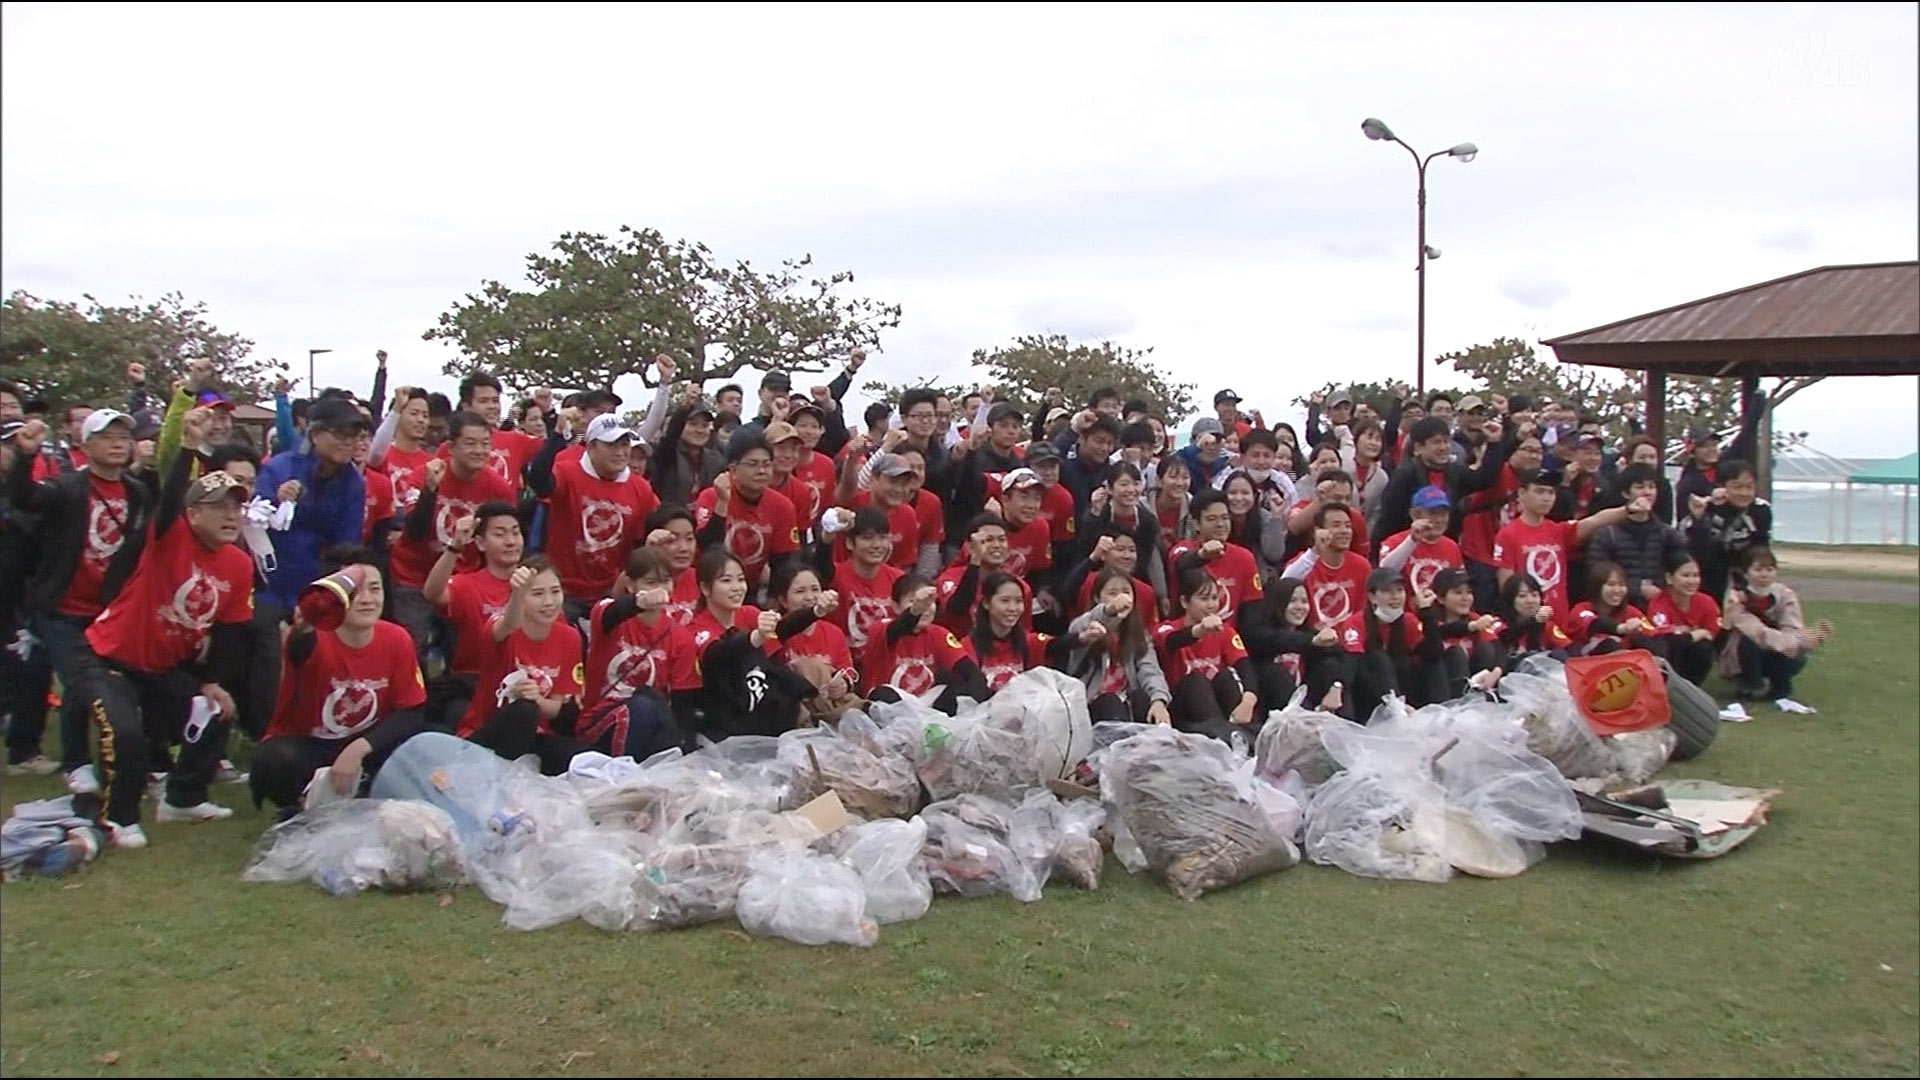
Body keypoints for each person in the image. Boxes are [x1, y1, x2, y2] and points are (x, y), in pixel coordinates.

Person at [71, 461, 257, 849]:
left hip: (161, 667)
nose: (230, 515)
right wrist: (187, 447)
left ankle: (183, 799)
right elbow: (168, 498)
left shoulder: (239, 564)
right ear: (193, 514)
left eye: (236, 507)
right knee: (125, 732)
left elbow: (228, 630)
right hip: (109, 658)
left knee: (215, 712)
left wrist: (211, 681)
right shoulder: (169, 535)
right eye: (219, 506)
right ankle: (117, 818)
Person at [5, 410, 150, 782]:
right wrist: (24, 457)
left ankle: (98, 759)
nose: (118, 443)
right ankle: (77, 763)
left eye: (123, 436)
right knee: (79, 682)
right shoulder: (67, 487)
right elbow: (25, 499)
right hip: (62, 607)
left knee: (97, 683)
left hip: (106, 608)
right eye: (107, 436)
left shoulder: (136, 492)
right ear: (86, 445)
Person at [251, 551, 426, 820]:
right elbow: (300, 648)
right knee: (274, 759)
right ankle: (301, 805)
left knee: (427, 742)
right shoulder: (312, 636)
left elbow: (411, 709)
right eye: (354, 591)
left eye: (375, 589)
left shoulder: (396, 637)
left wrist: (358, 749)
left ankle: (363, 793)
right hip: (312, 744)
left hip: (366, 744)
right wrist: (303, 628)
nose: (367, 599)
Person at [388, 413, 517, 654]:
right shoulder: (424, 475)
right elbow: (414, 532)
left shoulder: (498, 487)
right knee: (411, 649)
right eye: (470, 443)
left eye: (485, 444)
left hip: (463, 581)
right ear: (451, 447)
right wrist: (430, 491)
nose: (479, 450)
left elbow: (505, 536)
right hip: (414, 575)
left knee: (466, 651)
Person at [459, 557, 586, 774]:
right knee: (524, 711)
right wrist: (517, 592)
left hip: (535, 734)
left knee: (574, 758)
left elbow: (557, 708)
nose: (549, 602)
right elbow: (509, 623)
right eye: (537, 594)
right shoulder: (501, 627)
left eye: (555, 592)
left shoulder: (570, 637)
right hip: (486, 732)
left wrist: (537, 699)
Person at [528, 413, 660, 617]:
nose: (620, 452)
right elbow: (539, 480)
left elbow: (647, 535)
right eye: (611, 445)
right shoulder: (568, 473)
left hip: (611, 590)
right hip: (564, 590)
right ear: (591, 447)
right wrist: (556, 436)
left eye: (625, 445)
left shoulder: (640, 488)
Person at [254, 397, 369, 622]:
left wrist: (325, 595)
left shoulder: (354, 483)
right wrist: (277, 503)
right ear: (316, 435)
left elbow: (346, 545)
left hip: (313, 590)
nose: (349, 443)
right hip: (265, 587)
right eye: (340, 435)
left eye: (354, 437)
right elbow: (254, 523)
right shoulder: (279, 468)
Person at [577, 547, 696, 760]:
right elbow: (611, 612)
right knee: (642, 705)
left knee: (652, 703)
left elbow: (682, 704)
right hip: (601, 723)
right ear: (631, 584)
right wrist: (640, 602)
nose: (659, 590)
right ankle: (625, 774)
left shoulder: (681, 637)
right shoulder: (610, 617)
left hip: (649, 722)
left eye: (665, 581)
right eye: (650, 583)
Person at [423, 500, 523, 730]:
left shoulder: (535, 582)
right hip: (472, 686)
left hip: (522, 684)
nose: (510, 541)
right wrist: (455, 546)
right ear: (479, 542)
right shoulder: (466, 585)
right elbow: (432, 593)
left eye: (515, 533)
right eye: (500, 534)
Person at [1493, 469, 1632, 628]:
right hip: (1529, 626)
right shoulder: (1508, 534)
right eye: (1539, 491)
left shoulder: (1557, 530)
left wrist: (1628, 509)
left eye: (1551, 492)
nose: (1546, 498)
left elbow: (1595, 521)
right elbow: (1507, 589)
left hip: (1560, 623)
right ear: (1522, 493)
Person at [1152, 567, 1261, 748]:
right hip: (1181, 712)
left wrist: (1248, 701)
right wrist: (1200, 630)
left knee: (1226, 677)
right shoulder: (1167, 628)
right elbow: (1172, 640)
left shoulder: (1224, 631)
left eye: (1214, 598)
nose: (1211, 605)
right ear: (1185, 602)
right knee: (1196, 680)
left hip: (1216, 709)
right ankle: (1228, 742)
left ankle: (1247, 740)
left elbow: (1245, 667)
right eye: (1203, 599)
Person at [1719, 546, 1830, 712]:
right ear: (1746, 572)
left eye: (1769, 569)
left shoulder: (1785, 595)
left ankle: (1780, 686)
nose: (1764, 574)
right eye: (1758, 569)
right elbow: (1757, 632)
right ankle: (1750, 685)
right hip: (1742, 655)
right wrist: (1799, 641)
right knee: (1749, 643)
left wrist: (1804, 640)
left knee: (1797, 654)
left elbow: (1793, 626)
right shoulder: (1736, 598)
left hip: (1779, 648)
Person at [696, 433, 801, 599]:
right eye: (753, 464)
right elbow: (708, 547)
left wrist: (773, 600)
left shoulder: (782, 506)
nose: (761, 471)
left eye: (767, 465)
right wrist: (722, 503)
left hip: (750, 587)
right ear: (733, 469)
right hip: (708, 587)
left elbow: (784, 562)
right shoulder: (711, 496)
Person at [860, 573, 985, 710]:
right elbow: (901, 627)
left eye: (929, 602)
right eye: (912, 601)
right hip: (886, 707)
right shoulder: (880, 628)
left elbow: (971, 672)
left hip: (925, 708)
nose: (925, 608)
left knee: (958, 684)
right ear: (895, 606)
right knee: (885, 695)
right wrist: (916, 610)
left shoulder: (939, 633)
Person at [1064, 568, 1172, 725]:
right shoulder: (1086, 627)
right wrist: (1109, 610)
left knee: (1144, 699)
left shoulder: (1138, 634)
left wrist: (1159, 699)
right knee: (1110, 702)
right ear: (1097, 597)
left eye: (1126, 592)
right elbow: (1078, 629)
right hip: (1095, 704)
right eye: (1113, 593)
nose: (1121, 598)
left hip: (1127, 700)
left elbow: (1150, 669)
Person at [1584, 464, 1686, 605]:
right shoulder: (1607, 534)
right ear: (1626, 493)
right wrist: (1637, 589)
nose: (1647, 492)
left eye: (1651, 487)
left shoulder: (1666, 533)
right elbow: (1597, 575)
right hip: (1618, 607)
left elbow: (1684, 564)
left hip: (1659, 607)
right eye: (1640, 487)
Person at [1239, 577, 1343, 713]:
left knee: (1330, 666)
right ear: (1278, 603)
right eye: (1292, 601)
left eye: (1304, 601)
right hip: (1271, 711)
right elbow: (1277, 640)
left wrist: (1336, 686)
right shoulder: (1260, 634)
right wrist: (1311, 642)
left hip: (1308, 704)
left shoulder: (1310, 634)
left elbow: (1341, 657)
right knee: (1272, 672)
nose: (1300, 607)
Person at [824, 507, 905, 668]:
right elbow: (820, 563)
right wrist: (829, 531)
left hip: (886, 666)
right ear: (849, 542)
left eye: (883, 538)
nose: (877, 545)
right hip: (843, 665)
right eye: (868, 538)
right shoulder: (835, 575)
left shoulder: (899, 578)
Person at [1683, 459, 1772, 604]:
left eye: (1749, 487)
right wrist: (1701, 515)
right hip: (1708, 575)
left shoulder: (1760, 510)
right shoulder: (1708, 506)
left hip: (1745, 575)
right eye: (1737, 487)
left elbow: (1761, 546)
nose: (1744, 493)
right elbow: (1698, 548)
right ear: (1722, 487)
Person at [1169, 490, 1264, 627]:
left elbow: (1252, 616)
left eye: (1225, 518)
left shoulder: (1244, 558)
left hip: (1225, 639)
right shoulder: (1183, 549)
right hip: (1187, 637)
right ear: (1196, 524)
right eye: (1211, 519)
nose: (1220, 524)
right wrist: (1202, 556)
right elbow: (1181, 563)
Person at [966, 571, 1069, 694]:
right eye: (1005, 601)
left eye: (1018, 601)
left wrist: (1084, 636)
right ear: (986, 603)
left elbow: (1056, 644)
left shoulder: (1026, 640)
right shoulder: (969, 645)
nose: (1013, 608)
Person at [1643, 552, 1720, 687]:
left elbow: (1712, 634)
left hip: (1693, 653)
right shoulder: (1659, 603)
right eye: (1685, 575)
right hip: (1669, 656)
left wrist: (1686, 635)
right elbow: (1664, 638)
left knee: (1703, 647)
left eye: (1695, 576)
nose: (1691, 581)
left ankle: (1693, 687)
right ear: (1669, 578)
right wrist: (1696, 633)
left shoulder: (1706, 602)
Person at [1377, 485, 1465, 598]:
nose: (1439, 520)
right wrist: (1412, 540)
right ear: (1415, 514)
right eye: (1433, 513)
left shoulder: (1451, 546)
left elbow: (1460, 588)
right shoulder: (1394, 542)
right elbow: (1385, 572)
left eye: (1443, 514)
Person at [1483, 573, 1573, 672]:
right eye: (1522, 596)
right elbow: (1508, 636)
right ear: (1510, 600)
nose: (1530, 601)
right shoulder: (1497, 623)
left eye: (1534, 595)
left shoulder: (1545, 625)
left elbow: (1568, 647)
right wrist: (1535, 620)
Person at [1568, 561, 1650, 656]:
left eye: (1622, 585)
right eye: (1611, 584)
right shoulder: (1581, 609)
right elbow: (1596, 624)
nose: (1617, 590)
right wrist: (1622, 628)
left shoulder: (1631, 612)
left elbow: (1654, 634)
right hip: (1586, 664)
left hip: (1625, 667)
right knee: (1608, 644)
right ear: (1597, 586)